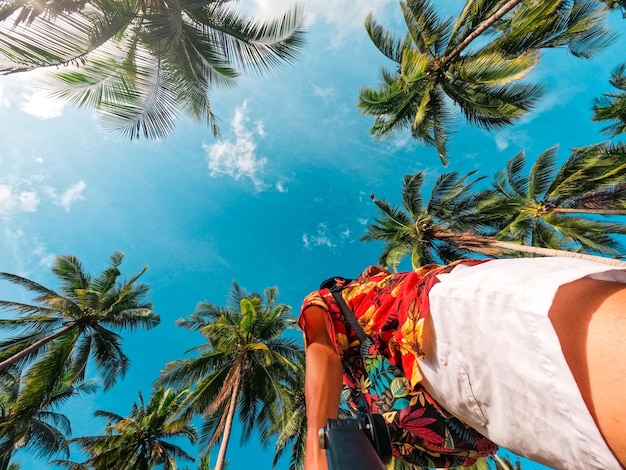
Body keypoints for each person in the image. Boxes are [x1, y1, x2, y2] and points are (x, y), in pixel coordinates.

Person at [299, 257, 626, 470]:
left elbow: (321, 348)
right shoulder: (356, 384)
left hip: (437, 324)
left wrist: (318, 447)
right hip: (471, 415)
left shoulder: (332, 300)